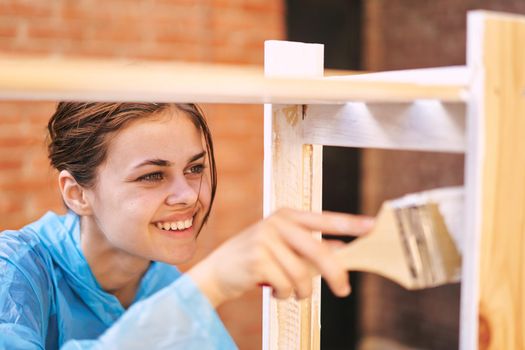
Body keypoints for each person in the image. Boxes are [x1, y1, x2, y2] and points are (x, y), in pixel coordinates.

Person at [0, 102, 374, 349]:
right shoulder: (14, 270)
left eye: (195, 169)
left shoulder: (165, 283)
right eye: (151, 176)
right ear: (77, 193)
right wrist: (211, 282)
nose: (188, 196)